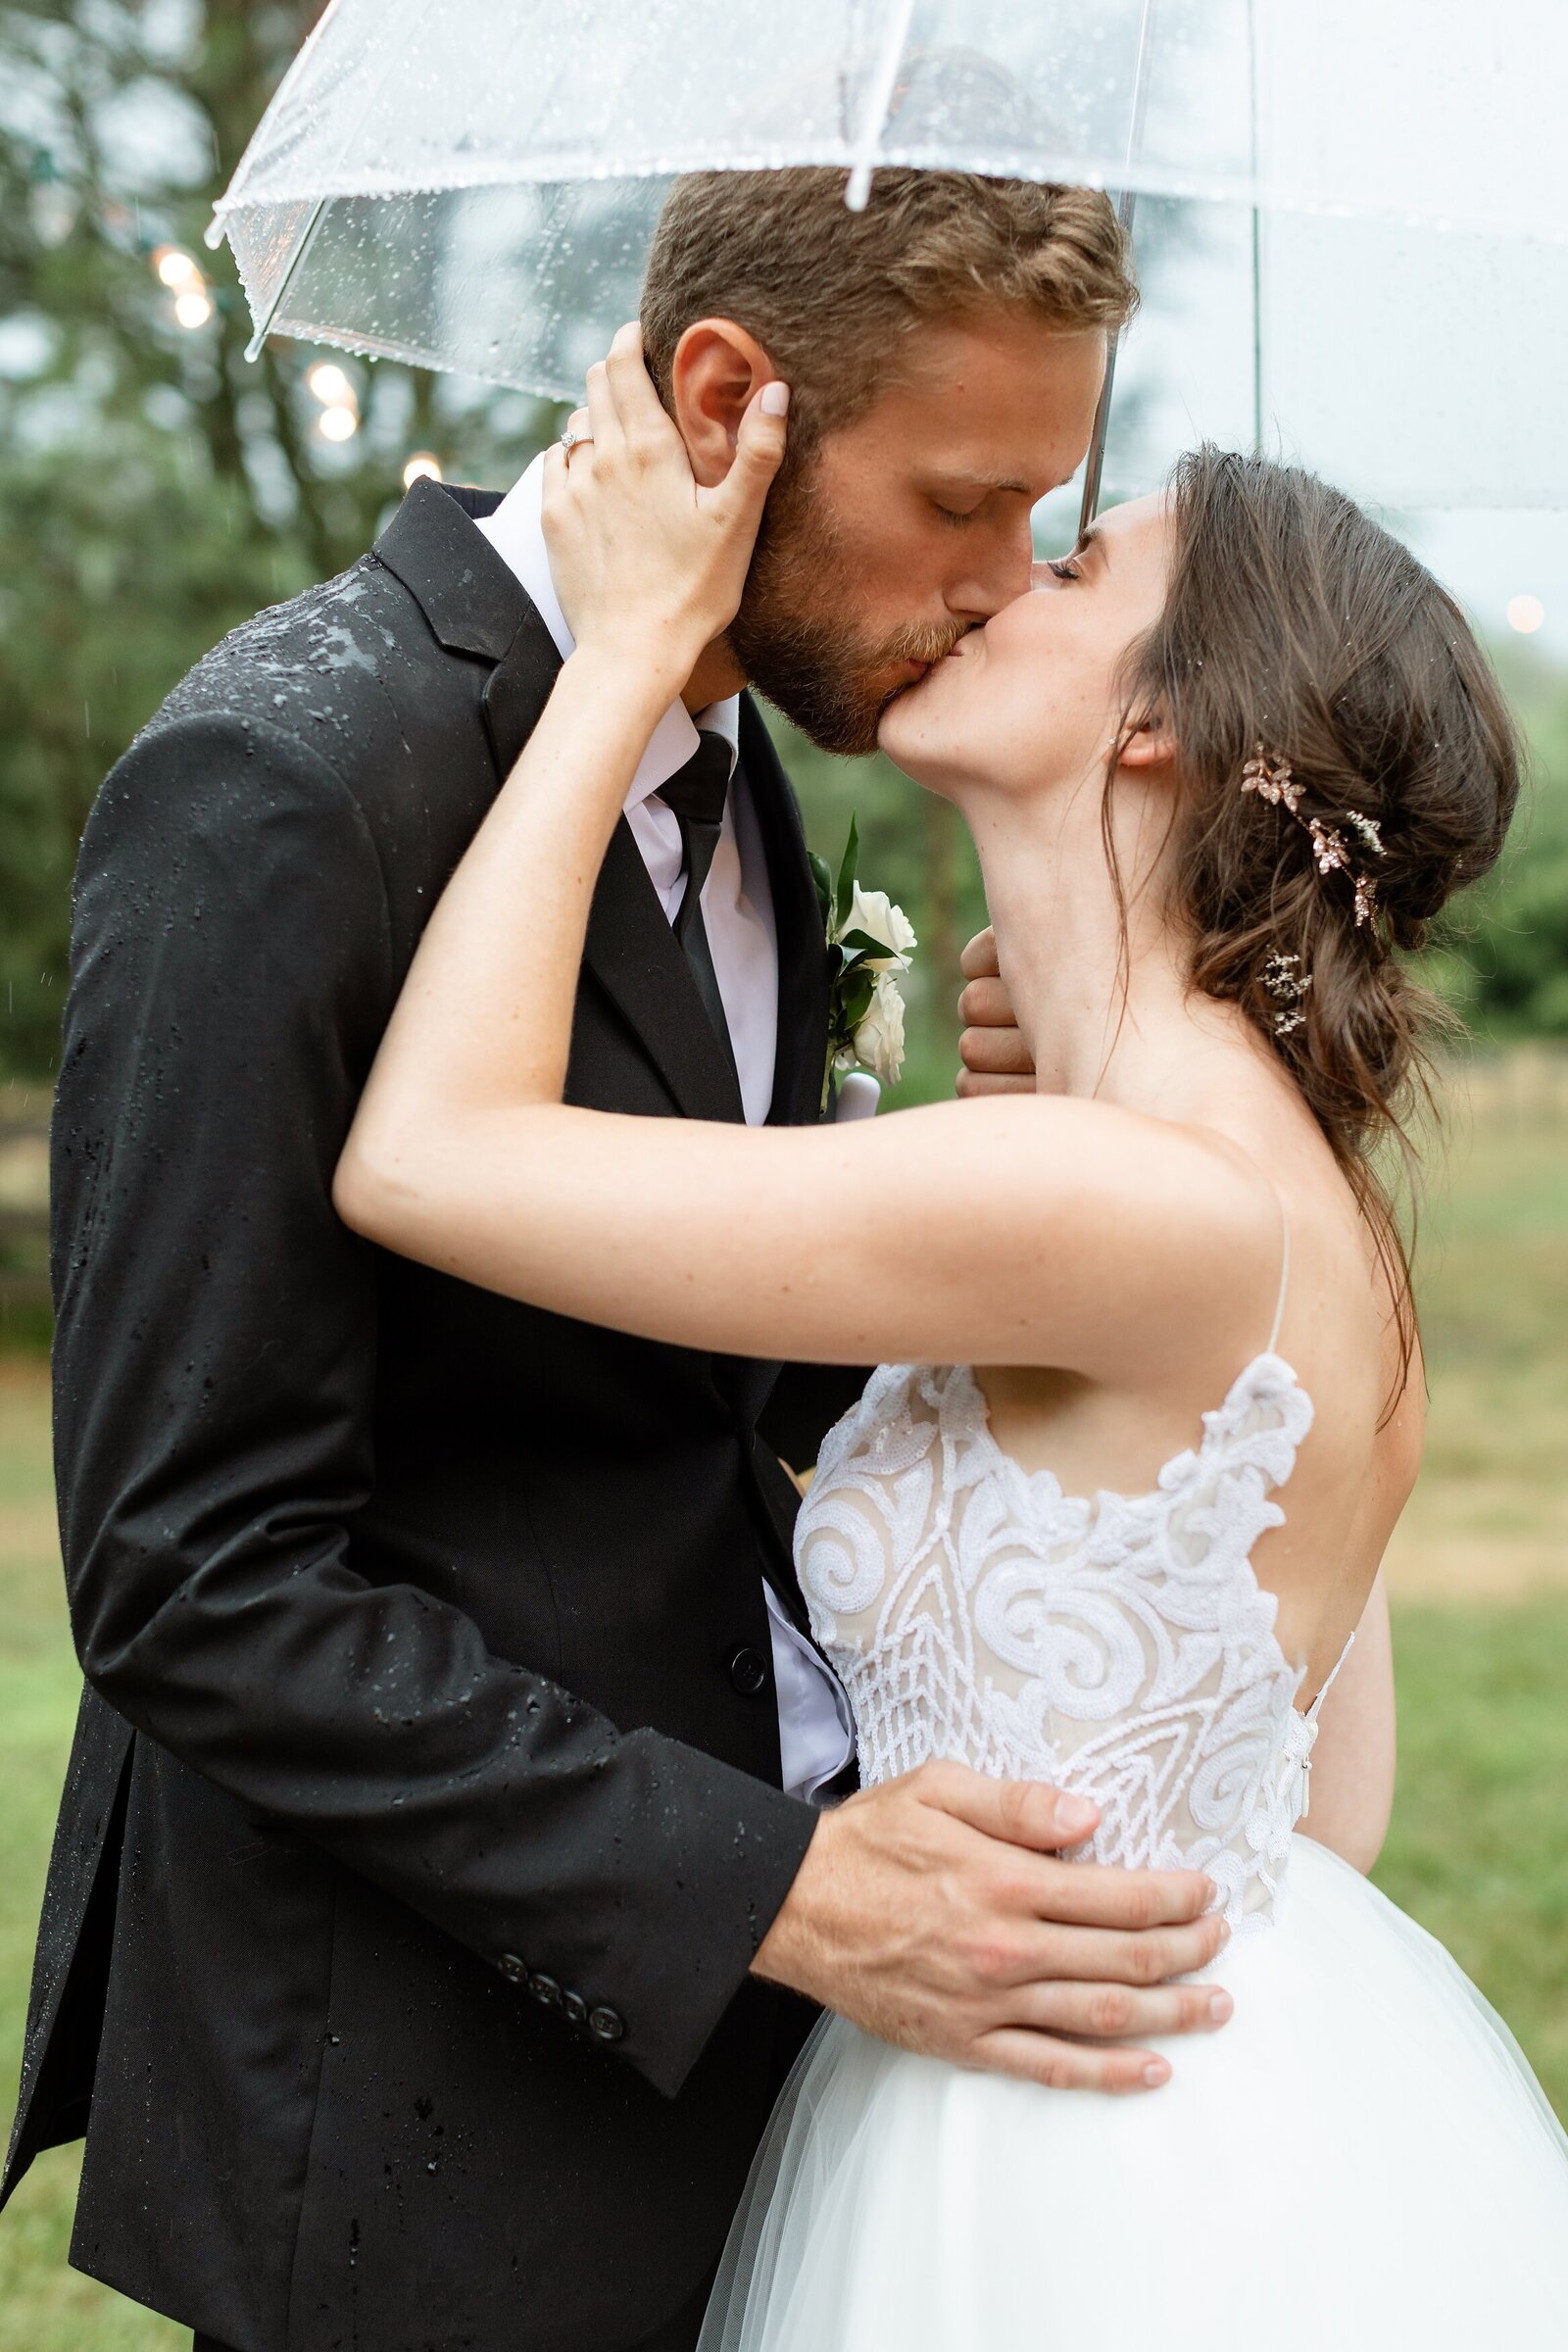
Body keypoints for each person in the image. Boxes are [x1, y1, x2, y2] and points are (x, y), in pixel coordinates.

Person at [4, 172, 1250, 2352]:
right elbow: (193, 1572)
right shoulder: (287, 777)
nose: (995, 590)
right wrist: (767, 1891)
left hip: (747, 2077)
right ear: (725, 402)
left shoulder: (736, 732)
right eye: (960, 505)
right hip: (423, 2103)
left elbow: (677, 1365)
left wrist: (979, 1181)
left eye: (1038, 515)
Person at [333, 331, 1568, 2349]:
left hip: (1060, 2177)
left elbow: (430, 1156)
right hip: (1211, 2107)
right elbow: (1314, 1813)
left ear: (1166, 724)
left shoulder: (1113, 1203)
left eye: (1081, 573)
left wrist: (621, 651)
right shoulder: (1268, 1195)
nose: (1005, 580)